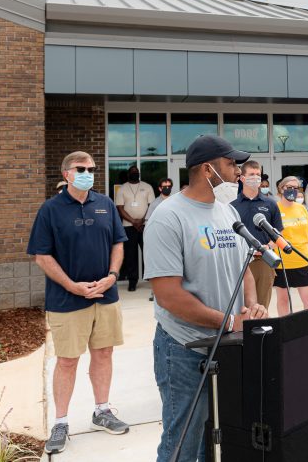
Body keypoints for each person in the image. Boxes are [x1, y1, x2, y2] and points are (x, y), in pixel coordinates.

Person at [143, 135, 267, 462]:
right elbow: (168, 296)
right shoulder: (168, 217)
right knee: (182, 442)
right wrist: (227, 321)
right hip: (183, 348)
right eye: (232, 165)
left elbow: (246, 269)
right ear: (208, 169)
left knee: (214, 442)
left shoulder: (226, 212)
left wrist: (249, 307)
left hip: (226, 344)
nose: (239, 173)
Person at [27, 151, 130, 455]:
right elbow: (41, 256)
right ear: (67, 174)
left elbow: (118, 243)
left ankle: (102, 411)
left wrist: (112, 276)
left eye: (91, 168)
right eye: (81, 168)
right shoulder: (51, 210)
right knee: (68, 361)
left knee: (103, 353)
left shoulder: (105, 205)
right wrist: (72, 285)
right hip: (67, 300)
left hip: (106, 295)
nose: (88, 172)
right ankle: (60, 422)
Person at [232, 160, 284, 313]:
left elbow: (278, 232)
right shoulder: (232, 206)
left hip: (263, 261)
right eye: (251, 175)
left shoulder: (271, 203)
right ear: (242, 178)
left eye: (258, 175)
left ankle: (261, 335)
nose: (256, 178)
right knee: (240, 307)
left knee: (261, 307)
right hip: (240, 261)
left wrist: (269, 246)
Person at [274, 175, 308, 315]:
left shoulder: (302, 209)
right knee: (283, 300)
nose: (292, 191)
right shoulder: (274, 209)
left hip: (303, 261)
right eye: (289, 187)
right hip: (282, 264)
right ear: (281, 189)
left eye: (296, 188)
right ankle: (286, 333)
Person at [114, 165, 156, 292]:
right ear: (128, 174)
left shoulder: (147, 187)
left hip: (145, 226)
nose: (135, 174)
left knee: (148, 253)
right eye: (132, 172)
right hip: (128, 227)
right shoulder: (122, 189)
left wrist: (142, 220)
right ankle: (132, 281)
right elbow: (120, 208)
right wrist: (133, 221)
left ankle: (152, 279)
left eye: (136, 172)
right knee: (130, 255)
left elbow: (152, 206)